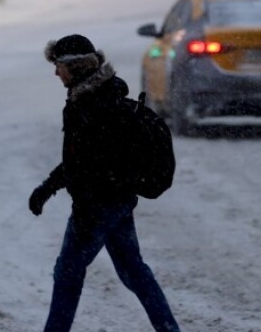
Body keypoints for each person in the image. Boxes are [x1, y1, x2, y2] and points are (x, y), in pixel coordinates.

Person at [29, 34, 182, 332]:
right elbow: (82, 161)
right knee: (133, 272)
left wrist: (86, 212)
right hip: (117, 202)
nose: (55, 72)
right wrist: (49, 186)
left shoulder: (93, 107)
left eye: (58, 65)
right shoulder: (95, 98)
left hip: (98, 206)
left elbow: (92, 165)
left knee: (68, 273)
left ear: (75, 67)